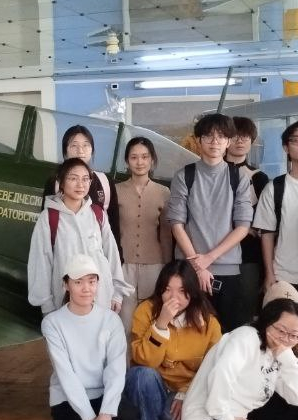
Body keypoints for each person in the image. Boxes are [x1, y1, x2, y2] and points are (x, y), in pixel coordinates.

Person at [124, 261, 222, 420]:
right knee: (143, 375)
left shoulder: (209, 323)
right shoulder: (146, 311)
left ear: (192, 292)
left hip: (185, 392)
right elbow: (144, 361)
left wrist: (186, 392)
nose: (173, 297)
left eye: (181, 291)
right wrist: (160, 324)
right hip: (152, 385)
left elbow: (214, 368)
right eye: (168, 290)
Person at [41, 254, 128, 420]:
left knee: (126, 416)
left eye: (91, 281)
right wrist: (89, 418)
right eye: (78, 282)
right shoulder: (52, 323)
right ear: (66, 285)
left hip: (102, 395)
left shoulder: (111, 320)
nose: (86, 288)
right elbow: (66, 375)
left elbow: (116, 370)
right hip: (68, 400)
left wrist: (106, 413)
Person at [167, 113, 253, 332]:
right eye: (208, 136)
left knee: (227, 334)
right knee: (188, 333)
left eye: (221, 136)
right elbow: (176, 225)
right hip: (188, 271)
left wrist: (208, 259)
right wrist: (198, 265)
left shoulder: (239, 177)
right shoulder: (184, 176)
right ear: (198, 140)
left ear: (228, 141)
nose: (215, 141)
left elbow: (243, 226)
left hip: (227, 270)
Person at [28, 157, 129, 315]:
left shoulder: (97, 214)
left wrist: (117, 293)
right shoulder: (49, 218)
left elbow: (112, 254)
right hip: (64, 302)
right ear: (61, 182)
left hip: (101, 298)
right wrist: (46, 304)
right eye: (73, 178)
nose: (80, 184)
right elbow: (41, 262)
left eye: (85, 179)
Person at [254, 120, 298, 313]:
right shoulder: (275, 188)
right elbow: (267, 234)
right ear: (286, 147)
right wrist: (269, 274)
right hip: (284, 275)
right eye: (296, 140)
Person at [115, 137, 173, 333]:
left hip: (155, 265)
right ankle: (123, 355)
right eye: (134, 157)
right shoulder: (116, 191)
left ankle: (148, 354)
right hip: (123, 265)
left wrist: (167, 266)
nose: (139, 162)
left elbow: (166, 234)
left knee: (151, 317)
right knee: (124, 320)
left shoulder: (164, 192)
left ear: (152, 160)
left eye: (145, 157)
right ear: (127, 161)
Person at [227, 116, 269, 327]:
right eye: (235, 135)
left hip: (249, 254)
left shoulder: (259, 177)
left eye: (246, 136)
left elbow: (265, 218)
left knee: (246, 310)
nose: (240, 140)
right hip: (216, 252)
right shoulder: (211, 172)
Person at [45, 125, 119, 233]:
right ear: (65, 151)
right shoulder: (55, 182)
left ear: (92, 150)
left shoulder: (105, 182)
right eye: (74, 145)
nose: (80, 150)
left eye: (86, 145)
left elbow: (114, 225)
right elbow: (46, 225)